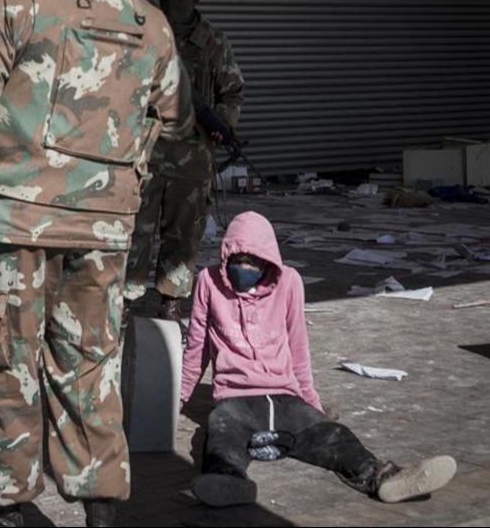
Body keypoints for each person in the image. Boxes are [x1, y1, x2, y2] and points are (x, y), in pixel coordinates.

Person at [0, 0, 191, 527]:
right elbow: (176, 124)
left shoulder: (13, 0)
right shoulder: (148, 20)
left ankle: (9, 509)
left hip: (13, 220)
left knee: (7, 362)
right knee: (91, 365)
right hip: (106, 225)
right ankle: (99, 509)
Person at [181, 211, 456, 508]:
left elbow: (299, 349)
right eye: (237, 261)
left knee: (334, 436)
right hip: (235, 401)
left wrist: (312, 403)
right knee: (221, 440)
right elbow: (195, 350)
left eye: (252, 262)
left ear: (267, 262)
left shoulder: (289, 282)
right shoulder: (208, 282)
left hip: (286, 397)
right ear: (226, 256)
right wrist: (176, 401)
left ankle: (384, 477)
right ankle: (230, 484)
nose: (244, 268)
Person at [125, 0, 245, 321]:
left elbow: (234, 92)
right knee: (136, 227)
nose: (176, 1)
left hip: (192, 156)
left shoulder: (213, 42)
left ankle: (171, 298)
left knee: (183, 231)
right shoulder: (143, 37)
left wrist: (220, 123)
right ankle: (128, 294)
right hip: (145, 150)